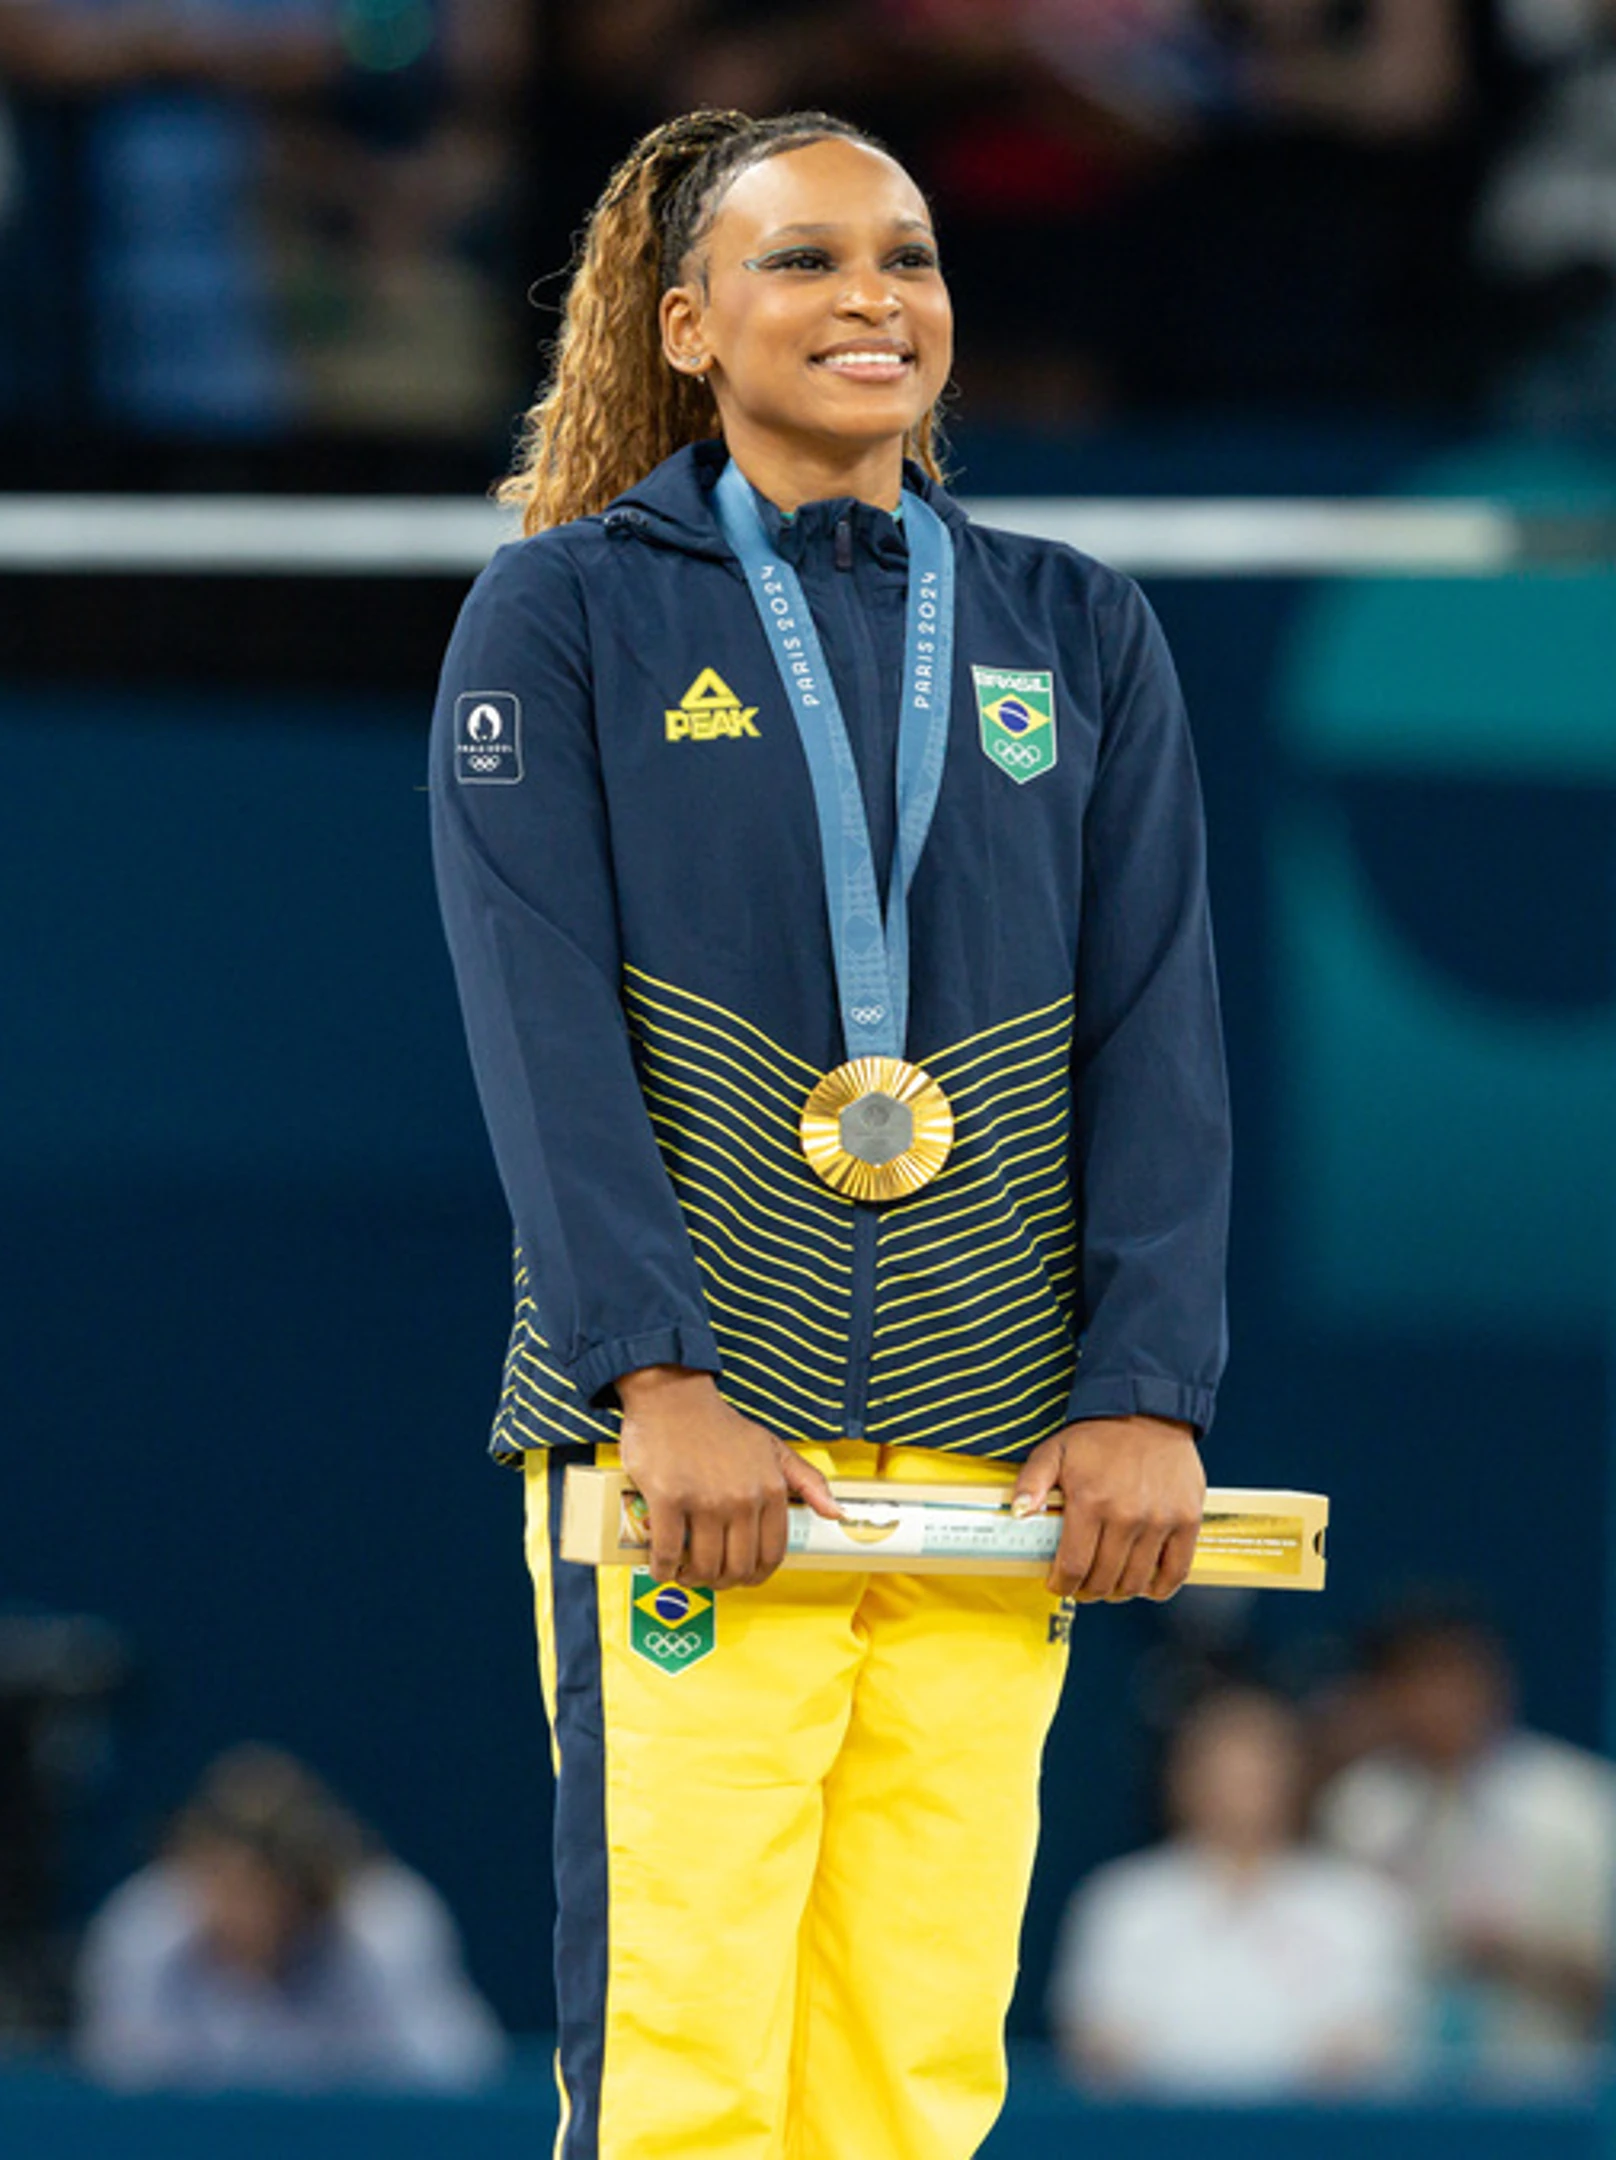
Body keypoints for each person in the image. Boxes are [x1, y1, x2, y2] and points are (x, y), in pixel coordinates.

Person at [427, 110, 1229, 2159]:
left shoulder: (1076, 626)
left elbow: (1157, 1033)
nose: (873, 297)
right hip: (698, 1453)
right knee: (687, 2060)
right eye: (804, 259)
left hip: (996, 1446)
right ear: (688, 323)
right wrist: (655, 1381)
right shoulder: (565, 616)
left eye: (908, 256)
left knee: (914, 2065)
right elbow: (539, 1033)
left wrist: (1145, 1388)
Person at [1052, 1684, 1417, 2096]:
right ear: (1180, 1779)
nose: (1239, 1791)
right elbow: (1095, 2044)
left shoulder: (1359, 1905)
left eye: (1257, 1772)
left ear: (1295, 1777)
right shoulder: (1122, 1901)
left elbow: (1374, 2044)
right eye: (1220, 1772)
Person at [74, 1743, 500, 2091]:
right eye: (219, 1882)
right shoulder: (146, 1926)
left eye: (256, 1886)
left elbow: (458, 2075)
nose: (236, 1907)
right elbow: (113, 2083)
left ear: (305, 1883)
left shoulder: (384, 1925)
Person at [1317, 1605, 1616, 2088]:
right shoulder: (1358, 1808)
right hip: (1395, 2089)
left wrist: (1522, 1950)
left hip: (1545, 2088)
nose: (1439, 1703)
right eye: (1419, 1682)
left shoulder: (1579, 1805)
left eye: (1455, 1679)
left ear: (1495, 1684)